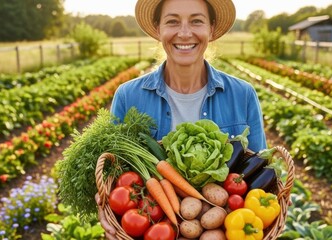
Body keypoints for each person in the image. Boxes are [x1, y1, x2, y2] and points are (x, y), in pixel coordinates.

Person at [96, 0, 267, 238]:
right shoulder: (128, 96)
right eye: (172, 21)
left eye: (197, 21)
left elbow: (262, 172)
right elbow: (110, 177)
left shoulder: (243, 94)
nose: (185, 33)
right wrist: (103, 204)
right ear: (158, 29)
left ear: (211, 28)